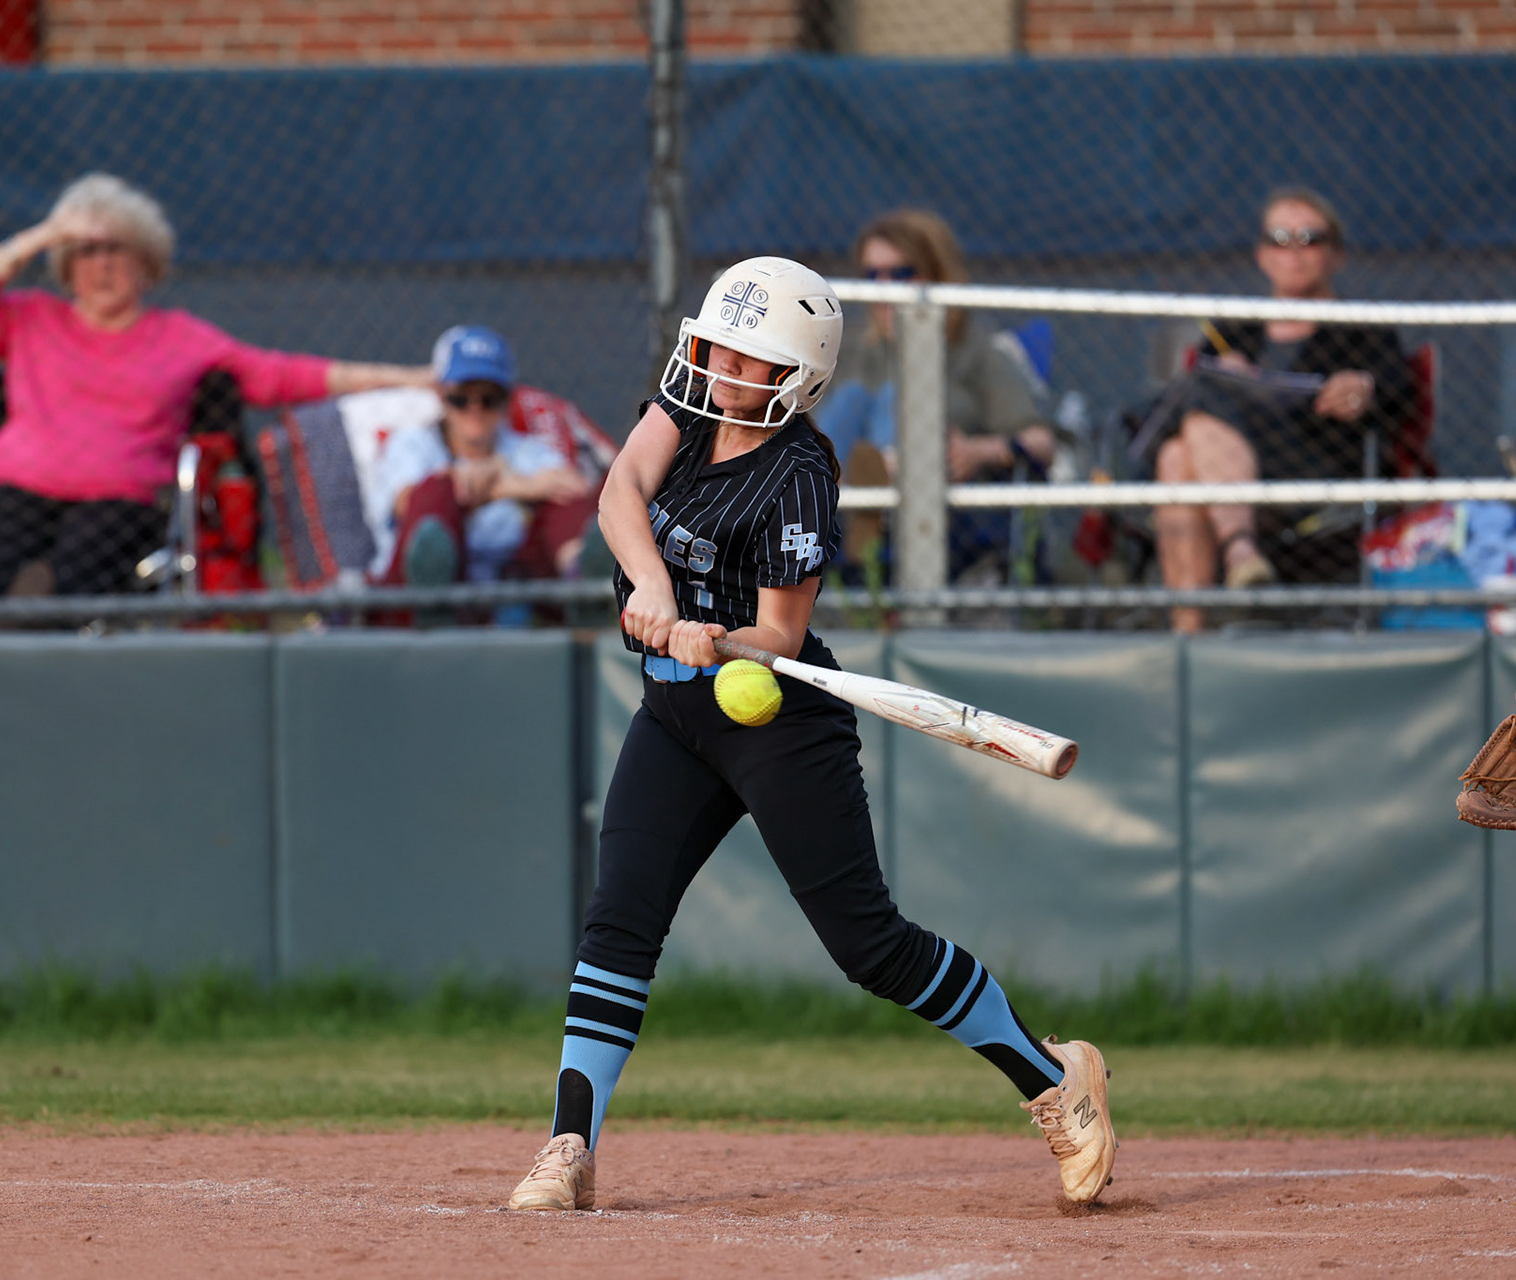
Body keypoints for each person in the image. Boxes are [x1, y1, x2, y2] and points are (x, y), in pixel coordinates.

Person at [504, 256, 1116, 1214]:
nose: (719, 367)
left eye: (746, 359)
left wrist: (718, 637)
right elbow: (621, 488)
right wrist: (660, 599)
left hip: (775, 720)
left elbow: (780, 636)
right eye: (714, 348)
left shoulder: (799, 475)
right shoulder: (688, 405)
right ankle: (568, 1147)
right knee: (618, 921)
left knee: (869, 948)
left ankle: (1054, 1076)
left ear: (795, 380)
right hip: (671, 712)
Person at [0, 172, 431, 597]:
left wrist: (411, 379)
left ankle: (45, 641)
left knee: (81, 573)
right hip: (13, 485)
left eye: (116, 250)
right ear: (65, 266)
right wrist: (44, 234)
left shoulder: (183, 339)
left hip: (117, 496)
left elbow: (285, 375)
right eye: (85, 251)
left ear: (146, 265)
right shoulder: (29, 320)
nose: (102, 264)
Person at [1150, 187, 1411, 632]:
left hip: (1314, 470)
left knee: (1182, 452)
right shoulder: (1235, 328)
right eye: (1279, 238)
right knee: (1185, 437)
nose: (1294, 250)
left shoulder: (1361, 328)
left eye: (1310, 237)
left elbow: (1400, 394)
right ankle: (1236, 563)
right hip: (1232, 467)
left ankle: (1191, 629)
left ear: (1337, 255)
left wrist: (1364, 388)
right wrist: (1228, 375)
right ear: (1261, 255)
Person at [819, 210, 1058, 574]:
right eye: (872, 275)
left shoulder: (974, 351)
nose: (882, 289)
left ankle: (876, 504)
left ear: (937, 274)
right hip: (842, 496)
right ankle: (828, 499)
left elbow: (1041, 441)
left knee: (894, 397)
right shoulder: (855, 351)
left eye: (900, 274)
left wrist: (977, 451)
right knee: (851, 398)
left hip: (940, 507)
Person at [369, 325, 598, 589]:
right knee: (435, 492)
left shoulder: (523, 448)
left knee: (567, 498)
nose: (475, 409)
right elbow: (407, 502)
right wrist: (517, 485)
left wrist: (489, 484)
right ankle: (430, 607)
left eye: (489, 398)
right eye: (461, 398)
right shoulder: (413, 442)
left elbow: (574, 486)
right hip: (417, 594)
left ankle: (582, 580)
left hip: (512, 587)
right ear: (440, 394)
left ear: (507, 399)